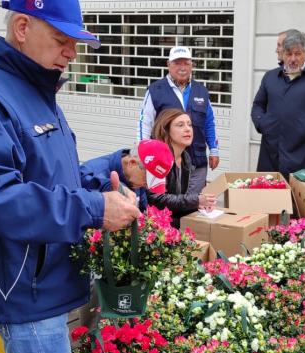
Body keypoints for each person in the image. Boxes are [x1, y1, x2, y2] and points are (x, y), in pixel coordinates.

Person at [0, 1, 140, 353]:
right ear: (22, 27)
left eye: (74, 42)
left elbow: (53, 178)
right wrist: (94, 209)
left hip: (42, 284)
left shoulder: (34, 91)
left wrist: (110, 171)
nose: (71, 52)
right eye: (61, 40)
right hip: (25, 293)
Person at [251, 29, 305, 179]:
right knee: (268, 199)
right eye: (288, 54)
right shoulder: (270, 77)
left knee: (298, 201)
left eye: (298, 54)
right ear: (282, 54)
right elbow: (258, 105)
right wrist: (263, 124)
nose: (293, 59)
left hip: (303, 154)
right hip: (270, 153)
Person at [138, 46, 219, 194]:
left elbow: (209, 123)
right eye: (177, 63)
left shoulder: (201, 91)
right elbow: (145, 123)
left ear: (192, 65)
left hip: (197, 160)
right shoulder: (155, 90)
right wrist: (143, 154)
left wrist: (214, 150)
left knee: (193, 204)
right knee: (168, 204)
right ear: (168, 64)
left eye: (186, 63)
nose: (182, 67)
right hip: (166, 162)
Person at [147, 108, 217, 227]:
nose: (187, 129)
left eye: (189, 124)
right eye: (180, 125)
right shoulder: (157, 158)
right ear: (166, 130)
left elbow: (178, 199)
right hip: (154, 226)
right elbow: (157, 200)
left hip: (174, 224)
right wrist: (196, 200)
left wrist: (197, 204)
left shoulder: (186, 157)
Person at [79, 139, 174, 211]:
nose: (147, 186)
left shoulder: (135, 179)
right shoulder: (89, 174)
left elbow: (142, 212)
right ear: (132, 163)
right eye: (147, 179)